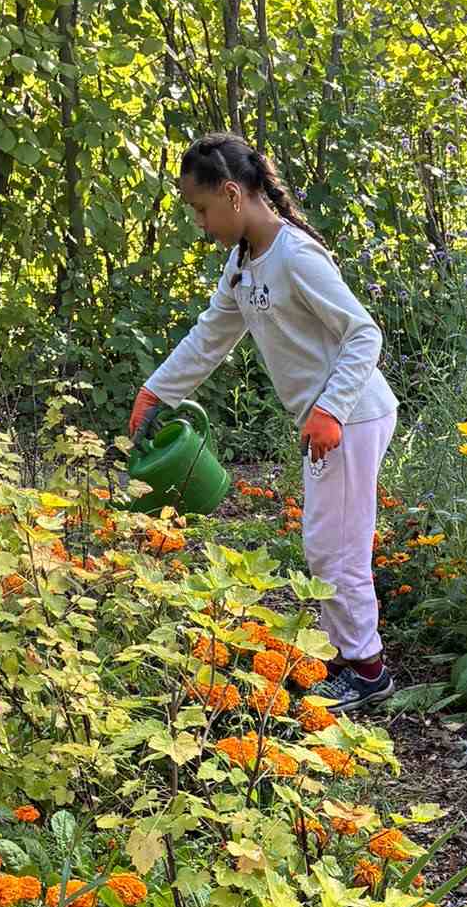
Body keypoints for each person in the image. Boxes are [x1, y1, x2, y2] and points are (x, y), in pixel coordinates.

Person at [129, 132, 399, 711]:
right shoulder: (243, 263)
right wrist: (156, 391)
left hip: (350, 416)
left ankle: (368, 671)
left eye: (202, 209)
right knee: (325, 543)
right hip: (328, 419)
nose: (200, 224)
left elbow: (363, 333)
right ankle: (342, 654)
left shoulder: (295, 255)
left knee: (337, 549)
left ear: (232, 194)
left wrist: (331, 409)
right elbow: (211, 335)